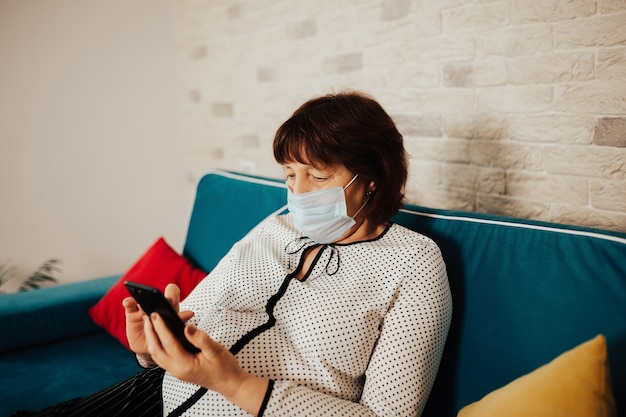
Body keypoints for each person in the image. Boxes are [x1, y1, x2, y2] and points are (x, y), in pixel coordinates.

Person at [14, 91, 452, 417]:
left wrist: (235, 384)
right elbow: (197, 316)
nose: (297, 194)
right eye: (289, 176)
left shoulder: (413, 263)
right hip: (163, 393)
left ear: (372, 178)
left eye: (317, 176)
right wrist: (152, 348)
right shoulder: (276, 225)